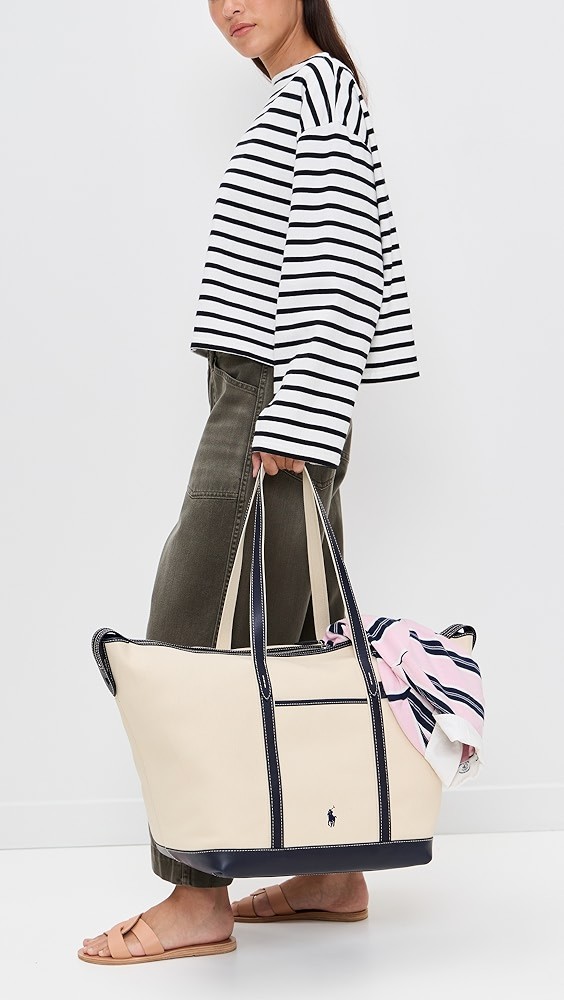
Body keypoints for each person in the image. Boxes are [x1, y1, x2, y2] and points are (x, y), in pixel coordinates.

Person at [79, 0, 419, 964]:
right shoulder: (307, 93)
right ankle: (333, 868)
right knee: (299, 639)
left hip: (272, 402)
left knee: (193, 636)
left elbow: (338, 267)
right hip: (280, 399)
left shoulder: (318, 95)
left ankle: (196, 898)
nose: (230, 6)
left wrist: (297, 414)